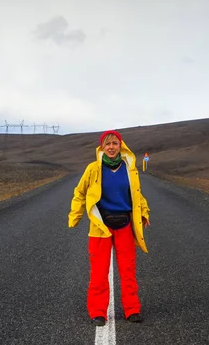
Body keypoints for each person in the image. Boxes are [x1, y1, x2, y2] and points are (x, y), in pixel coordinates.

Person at [69, 130, 150, 326]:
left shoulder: (129, 169)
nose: (111, 147)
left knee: (128, 270)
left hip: (124, 225)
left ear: (120, 145)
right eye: (108, 144)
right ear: (102, 147)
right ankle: (98, 312)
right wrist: (75, 215)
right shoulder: (93, 169)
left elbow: (137, 195)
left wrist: (144, 212)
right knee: (98, 272)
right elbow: (80, 193)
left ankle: (132, 310)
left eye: (115, 143)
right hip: (100, 226)